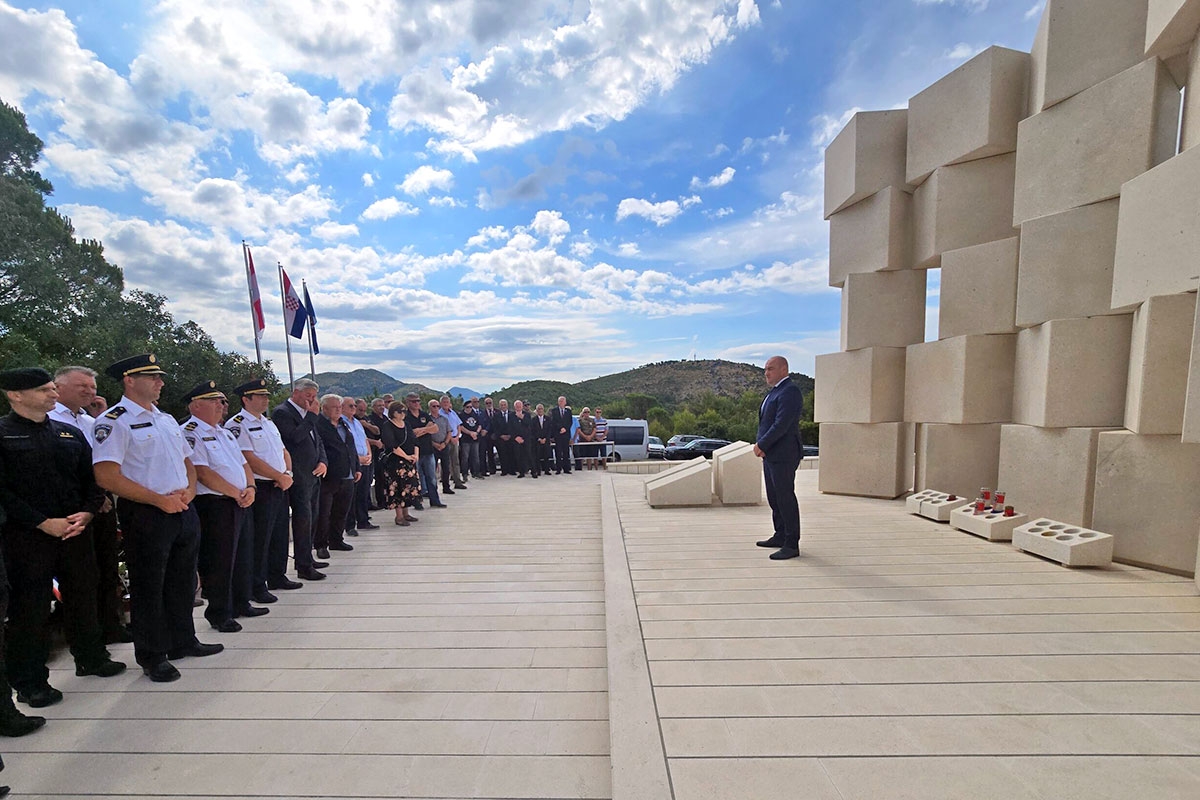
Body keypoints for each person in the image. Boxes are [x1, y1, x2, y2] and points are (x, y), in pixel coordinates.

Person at [92, 354, 223, 682]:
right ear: (129, 380)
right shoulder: (114, 421)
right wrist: (159, 500)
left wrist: (188, 492)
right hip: (147, 513)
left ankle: (183, 639)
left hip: (182, 508)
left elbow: (187, 462)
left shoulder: (165, 419)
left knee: (182, 580)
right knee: (149, 586)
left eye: (159, 377)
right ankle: (153, 655)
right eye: (152, 377)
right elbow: (107, 475)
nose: (160, 382)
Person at [0, 368, 126, 709]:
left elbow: (91, 479)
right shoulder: (4, 433)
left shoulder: (68, 432)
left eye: (53, 388)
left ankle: (91, 657)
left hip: (75, 530)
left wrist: (87, 512)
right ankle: (31, 682)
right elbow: (4, 492)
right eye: (44, 390)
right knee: (31, 609)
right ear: (15, 395)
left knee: (84, 595)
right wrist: (41, 522)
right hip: (27, 537)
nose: (53, 394)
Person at [49, 366, 130, 644]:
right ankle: (87, 636)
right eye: (82, 386)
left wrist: (99, 417)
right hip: (74, 509)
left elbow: (103, 461)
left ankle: (111, 626)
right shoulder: (49, 420)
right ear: (58, 387)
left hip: (101, 504)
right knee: (81, 577)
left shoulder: (91, 420)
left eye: (93, 386)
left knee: (108, 569)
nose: (90, 391)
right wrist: (94, 499)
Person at [183, 382, 263, 632]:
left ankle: (241, 602)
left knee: (242, 556)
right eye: (214, 401)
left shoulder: (224, 432)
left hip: (239, 501)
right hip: (215, 504)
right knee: (220, 560)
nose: (221, 405)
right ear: (196, 405)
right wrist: (236, 493)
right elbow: (202, 472)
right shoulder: (191, 432)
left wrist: (250, 488)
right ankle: (219, 613)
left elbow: (243, 464)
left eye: (222, 401)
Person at [226, 379, 294, 604]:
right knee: (260, 539)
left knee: (279, 534)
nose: (266, 400)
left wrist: (287, 474)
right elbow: (248, 458)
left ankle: (277, 575)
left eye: (266, 396)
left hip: (280, 484)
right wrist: (278, 476)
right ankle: (256, 585)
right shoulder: (237, 424)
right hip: (262, 487)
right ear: (246, 399)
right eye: (260, 396)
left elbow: (283, 451)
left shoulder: (268, 423)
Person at [271, 379, 328, 582]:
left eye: (314, 396)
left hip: (313, 473)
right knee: (302, 519)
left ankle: (307, 557)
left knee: (312, 516)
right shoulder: (283, 412)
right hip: (298, 474)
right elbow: (294, 438)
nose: (311, 400)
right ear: (296, 393)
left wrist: (323, 461)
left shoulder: (308, 414)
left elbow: (317, 441)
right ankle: (303, 565)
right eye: (308, 396)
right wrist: (311, 416)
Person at [754, 355, 805, 561]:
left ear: (784, 369)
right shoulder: (775, 392)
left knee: (785, 498)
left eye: (771, 369)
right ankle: (780, 535)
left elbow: (781, 424)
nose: (766, 373)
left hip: (784, 454)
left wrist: (762, 445)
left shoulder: (790, 391)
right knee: (774, 498)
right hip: (771, 455)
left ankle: (791, 544)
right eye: (765, 369)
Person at [314, 394, 360, 559]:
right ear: (324, 408)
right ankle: (321, 544)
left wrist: (356, 468)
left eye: (340, 407)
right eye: (334, 407)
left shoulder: (344, 424)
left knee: (341, 511)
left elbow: (351, 447)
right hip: (329, 476)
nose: (338, 410)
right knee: (324, 513)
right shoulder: (318, 425)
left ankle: (336, 540)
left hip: (347, 474)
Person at [380, 402, 420, 525]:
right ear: (393, 412)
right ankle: (399, 516)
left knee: (408, 487)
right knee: (397, 488)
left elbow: (414, 440)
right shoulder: (387, 425)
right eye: (400, 411)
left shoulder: (406, 424)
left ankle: (406, 513)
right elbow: (392, 445)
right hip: (395, 462)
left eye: (404, 411)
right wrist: (406, 456)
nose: (403, 414)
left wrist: (415, 455)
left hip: (409, 461)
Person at [342, 397, 377, 535]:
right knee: (351, 496)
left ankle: (363, 521)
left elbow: (365, 439)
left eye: (354, 406)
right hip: (354, 462)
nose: (354, 408)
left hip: (365, 460)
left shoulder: (356, 422)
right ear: (342, 407)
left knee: (363, 492)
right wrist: (358, 459)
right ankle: (350, 525)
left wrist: (369, 454)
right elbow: (345, 445)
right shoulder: (342, 423)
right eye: (350, 406)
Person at [404, 394, 444, 508]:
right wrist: (427, 429)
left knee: (432, 477)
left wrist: (422, 430)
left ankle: (435, 500)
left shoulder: (424, 415)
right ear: (408, 403)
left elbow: (435, 428)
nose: (416, 403)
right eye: (413, 401)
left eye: (418, 401)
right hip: (414, 452)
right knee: (415, 478)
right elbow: (412, 433)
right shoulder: (406, 416)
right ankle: (417, 501)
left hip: (428, 450)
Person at [439, 396, 468, 490]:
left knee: (455, 461)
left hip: (455, 440)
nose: (446, 403)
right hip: (445, 440)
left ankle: (457, 481)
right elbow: (442, 429)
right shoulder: (439, 414)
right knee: (446, 463)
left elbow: (459, 425)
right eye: (444, 402)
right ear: (441, 403)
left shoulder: (453, 413)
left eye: (447, 402)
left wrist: (457, 436)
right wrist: (450, 438)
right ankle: (445, 483)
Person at [367, 398, 389, 508]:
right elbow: (375, 433)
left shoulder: (386, 418)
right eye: (378, 405)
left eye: (382, 405)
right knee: (379, 476)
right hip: (376, 451)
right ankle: (381, 501)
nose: (381, 407)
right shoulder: (370, 419)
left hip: (387, 451)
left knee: (387, 476)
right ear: (373, 407)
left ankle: (388, 498)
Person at [457, 398, 485, 480]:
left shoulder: (475, 414)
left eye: (470, 407)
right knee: (465, 457)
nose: (469, 408)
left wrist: (476, 432)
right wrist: (470, 433)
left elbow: (479, 425)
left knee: (476, 456)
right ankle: (465, 474)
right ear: (464, 407)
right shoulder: (461, 415)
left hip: (475, 438)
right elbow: (461, 427)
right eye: (467, 407)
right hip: (466, 439)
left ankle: (476, 472)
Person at [549, 396, 573, 474]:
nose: (561, 402)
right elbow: (553, 422)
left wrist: (565, 428)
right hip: (558, 434)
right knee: (558, 452)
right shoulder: (554, 411)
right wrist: (560, 428)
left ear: (565, 402)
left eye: (563, 401)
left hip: (566, 434)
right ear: (558, 402)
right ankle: (558, 469)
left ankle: (566, 468)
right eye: (560, 401)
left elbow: (570, 422)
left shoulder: (568, 411)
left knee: (566, 452)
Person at [510, 400, 531, 478]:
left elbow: (529, 425)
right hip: (516, 439)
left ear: (522, 406)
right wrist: (515, 437)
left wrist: (522, 418)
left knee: (529, 455)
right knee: (518, 456)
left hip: (526, 438)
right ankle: (521, 472)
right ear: (514, 407)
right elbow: (510, 428)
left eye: (520, 406)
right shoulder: (511, 415)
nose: (518, 407)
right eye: (517, 406)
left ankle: (533, 471)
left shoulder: (527, 414)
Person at [530, 403, 553, 477]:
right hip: (537, 441)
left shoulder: (548, 419)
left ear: (543, 410)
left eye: (541, 409)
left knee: (546, 455)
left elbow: (549, 430)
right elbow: (532, 431)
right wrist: (539, 439)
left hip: (546, 440)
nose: (540, 410)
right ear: (536, 410)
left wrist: (546, 438)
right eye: (538, 409)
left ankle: (546, 470)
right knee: (537, 456)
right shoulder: (533, 420)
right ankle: (538, 471)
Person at [480, 397, 498, 475]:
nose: (489, 404)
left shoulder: (497, 412)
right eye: (487, 403)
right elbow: (481, 423)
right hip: (487, 436)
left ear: (492, 403)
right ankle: (491, 469)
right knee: (489, 453)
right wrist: (484, 431)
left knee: (501, 452)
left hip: (497, 435)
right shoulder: (482, 413)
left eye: (490, 403)